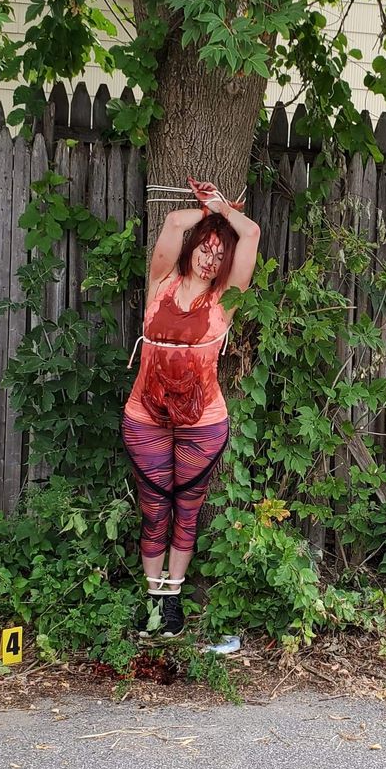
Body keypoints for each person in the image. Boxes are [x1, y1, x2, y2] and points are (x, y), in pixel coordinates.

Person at [124, 178, 260, 637]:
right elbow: (172, 222)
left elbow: (252, 233)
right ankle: (152, 602)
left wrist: (224, 209)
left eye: (220, 254)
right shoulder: (161, 283)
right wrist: (207, 212)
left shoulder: (225, 301)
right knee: (154, 508)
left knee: (186, 508)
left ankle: (173, 600)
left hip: (202, 422)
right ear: (193, 248)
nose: (211, 258)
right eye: (206, 248)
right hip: (145, 415)